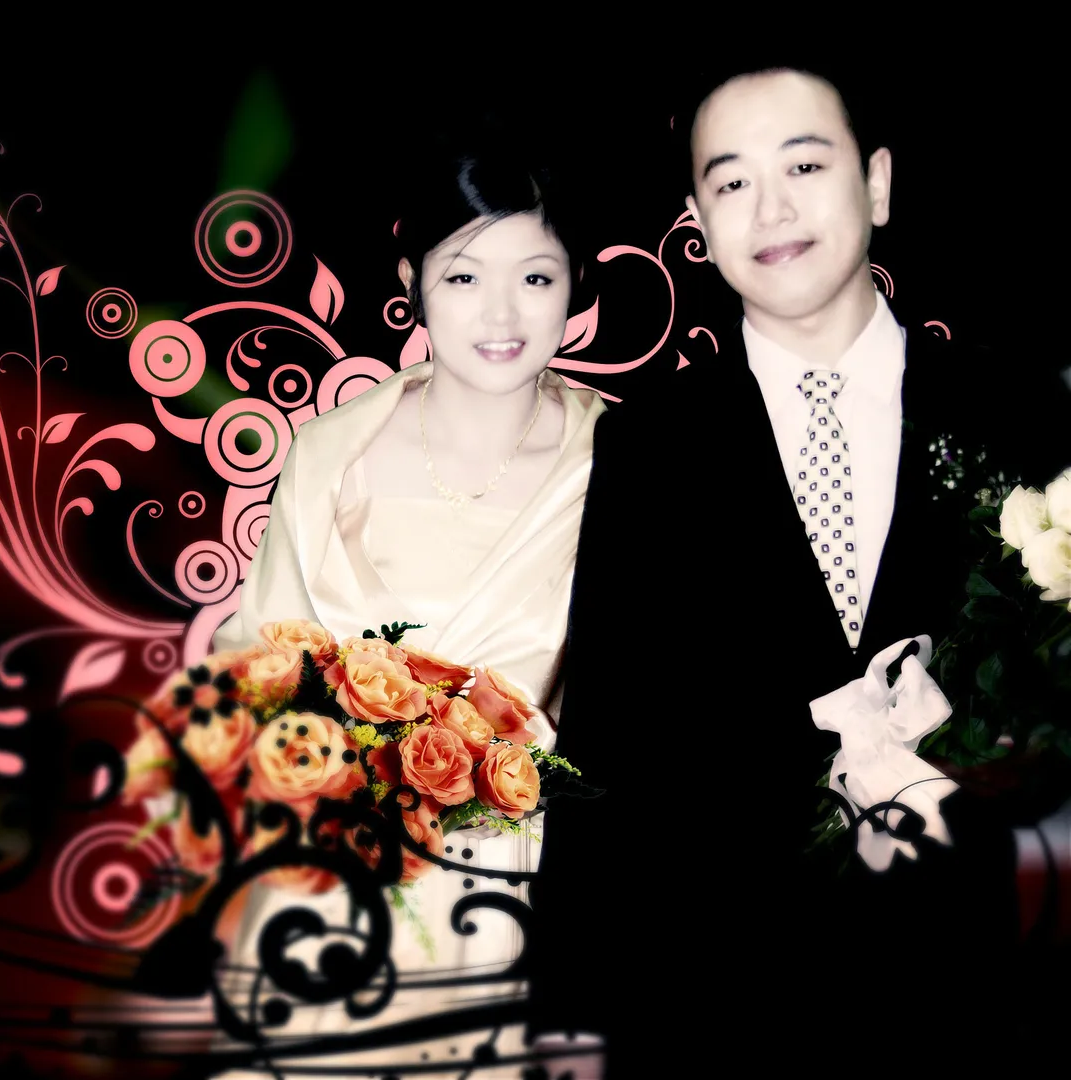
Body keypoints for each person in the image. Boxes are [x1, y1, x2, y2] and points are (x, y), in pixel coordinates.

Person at [528, 61, 1070, 1078]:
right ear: (698, 220)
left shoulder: (1020, 411)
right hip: (729, 999)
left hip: (995, 983)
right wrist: (571, 1014)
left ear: (877, 183)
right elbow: (607, 736)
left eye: (805, 165)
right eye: (731, 181)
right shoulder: (651, 447)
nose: (770, 207)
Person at [205, 144, 608, 1078]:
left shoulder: (621, 464)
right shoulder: (329, 453)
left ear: (573, 286)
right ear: (411, 283)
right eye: (464, 276)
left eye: (535, 277)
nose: (501, 314)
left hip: (515, 898)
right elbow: (253, 667)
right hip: (324, 884)